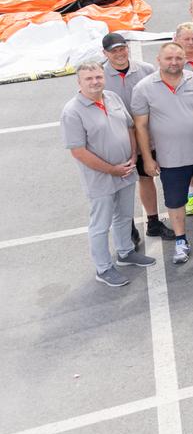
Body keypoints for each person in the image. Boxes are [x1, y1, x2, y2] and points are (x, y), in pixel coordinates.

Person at [129, 42, 193, 264]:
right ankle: (181, 240)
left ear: (185, 59)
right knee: (175, 202)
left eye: (178, 58)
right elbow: (141, 126)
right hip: (170, 159)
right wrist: (147, 158)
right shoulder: (144, 88)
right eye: (169, 58)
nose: (174, 62)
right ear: (159, 60)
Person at [62, 62, 156, 286]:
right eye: (89, 79)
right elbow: (78, 151)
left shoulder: (112, 97)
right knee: (100, 225)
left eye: (98, 77)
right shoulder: (72, 111)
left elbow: (129, 128)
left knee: (124, 216)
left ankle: (125, 252)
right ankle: (103, 268)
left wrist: (133, 156)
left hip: (125, 169)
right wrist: (112, 169)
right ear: (79, 82)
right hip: (100, 177)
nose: (95, 82)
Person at [102, 32, 166, 241]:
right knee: (122, 185)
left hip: (146, 136)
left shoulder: (146, 69)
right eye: (114, 51)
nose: (119, 54)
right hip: (118, 141)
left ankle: (153, 221)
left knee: (146, 179)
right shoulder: (100, 76)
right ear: (105, 53)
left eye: (122, 48)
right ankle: (127, 227)